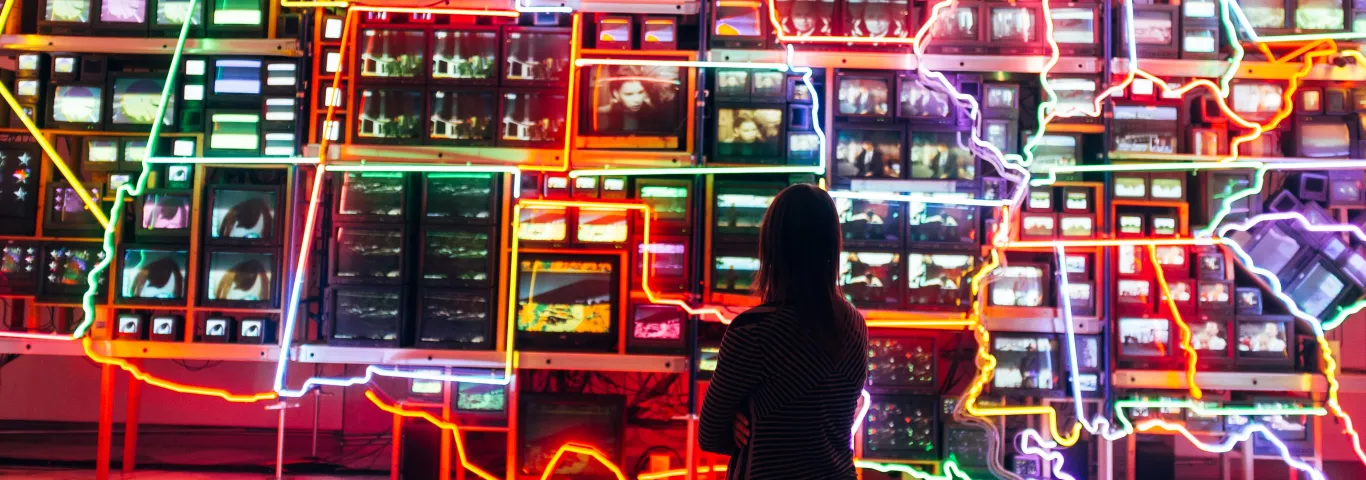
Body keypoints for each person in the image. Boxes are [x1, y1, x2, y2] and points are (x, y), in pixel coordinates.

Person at [699, 184, 868, 479]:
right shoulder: (855, 324)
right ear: (832, 245)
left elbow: (710, 434)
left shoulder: (754, 330)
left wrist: (740, 419)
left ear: (773, 245)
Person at [596, 79, 669, 133]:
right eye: (629, 94)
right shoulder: (615, 107)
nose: (637, 100)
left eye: (641, 92)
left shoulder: (652, 112)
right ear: (616, 94)